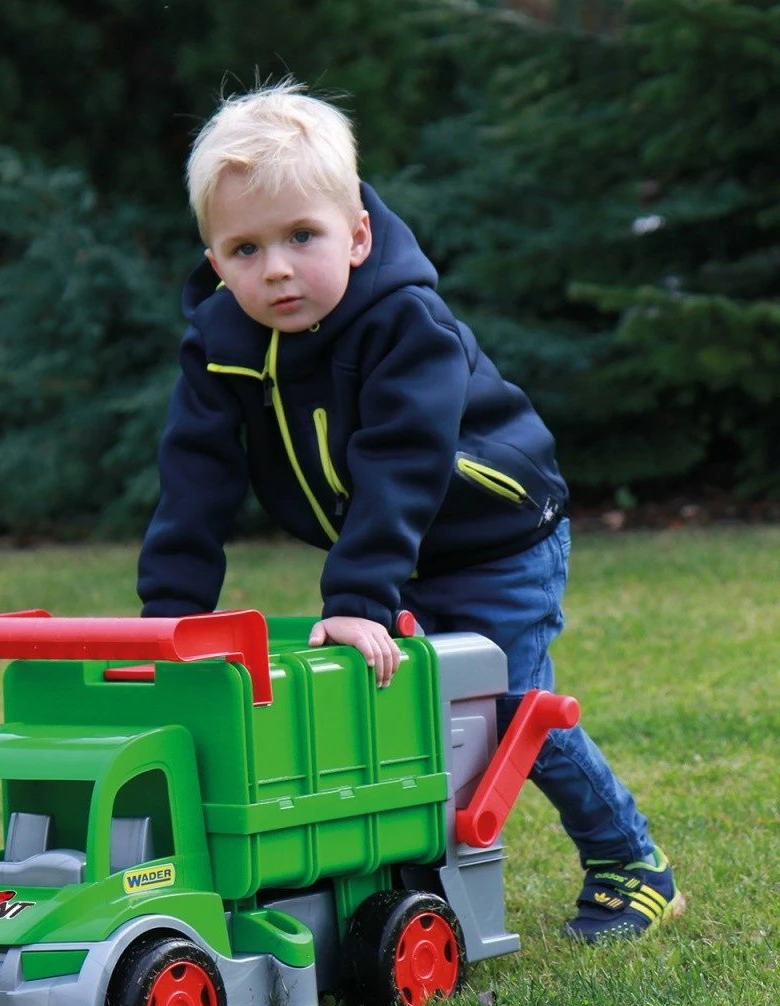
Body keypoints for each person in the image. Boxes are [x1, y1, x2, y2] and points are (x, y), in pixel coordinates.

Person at [136, 79, 684, 943]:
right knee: (395, 706)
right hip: (400, 549)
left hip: (494, 535)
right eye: (244, 249)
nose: (275, 268)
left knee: (505, 707)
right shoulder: (222, 344)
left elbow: (402, 462)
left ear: (357, 234)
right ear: (213, 261)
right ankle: (403, 886)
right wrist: (168, 623)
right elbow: (194, 479)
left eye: (301, 237)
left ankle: (631, 861)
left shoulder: (403, 322)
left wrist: (354, 598)